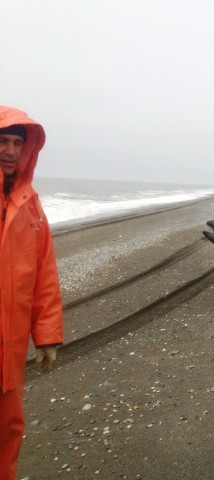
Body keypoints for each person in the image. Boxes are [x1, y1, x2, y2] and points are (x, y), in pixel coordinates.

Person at [0, 106, 64, 479]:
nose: (9, 150)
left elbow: (44, 274)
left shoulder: (31, 204)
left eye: (16, 143)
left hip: (10, 351)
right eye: (3, 141)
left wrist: (47, 336)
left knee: (8, 432)